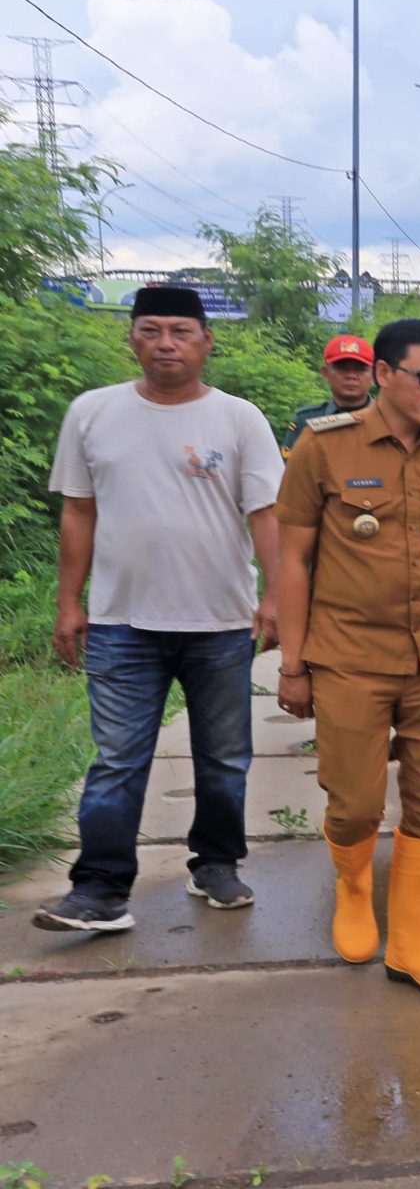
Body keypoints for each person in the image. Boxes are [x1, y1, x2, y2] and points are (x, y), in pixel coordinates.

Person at [35, 285, 283, 932]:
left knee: (224, 757)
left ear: (206, 341)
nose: (165, 343)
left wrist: (277, 598)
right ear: (132, 338)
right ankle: (100, 889)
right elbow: (78, 512)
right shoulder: (93, 413)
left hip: (221, 624)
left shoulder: (238, 419)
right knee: (118, 759)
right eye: (151, 329)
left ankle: (217, 864)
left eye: (179, 330)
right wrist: (68, 602)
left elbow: (267, 516)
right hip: (122, 625)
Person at [274, 318, 420, 997]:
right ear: (383, 375)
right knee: (357, 802)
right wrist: (293, 662)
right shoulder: (323, 448)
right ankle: (352, 881)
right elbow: (294, 558)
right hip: (348, 657)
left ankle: (412, 944)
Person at [283, 334, 376, 456]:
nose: (351, 376)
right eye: (343, 369)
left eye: (360, 369)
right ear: (326, 374)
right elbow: (289, 470)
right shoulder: (307, 420)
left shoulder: (390, 420)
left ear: (374, 375)